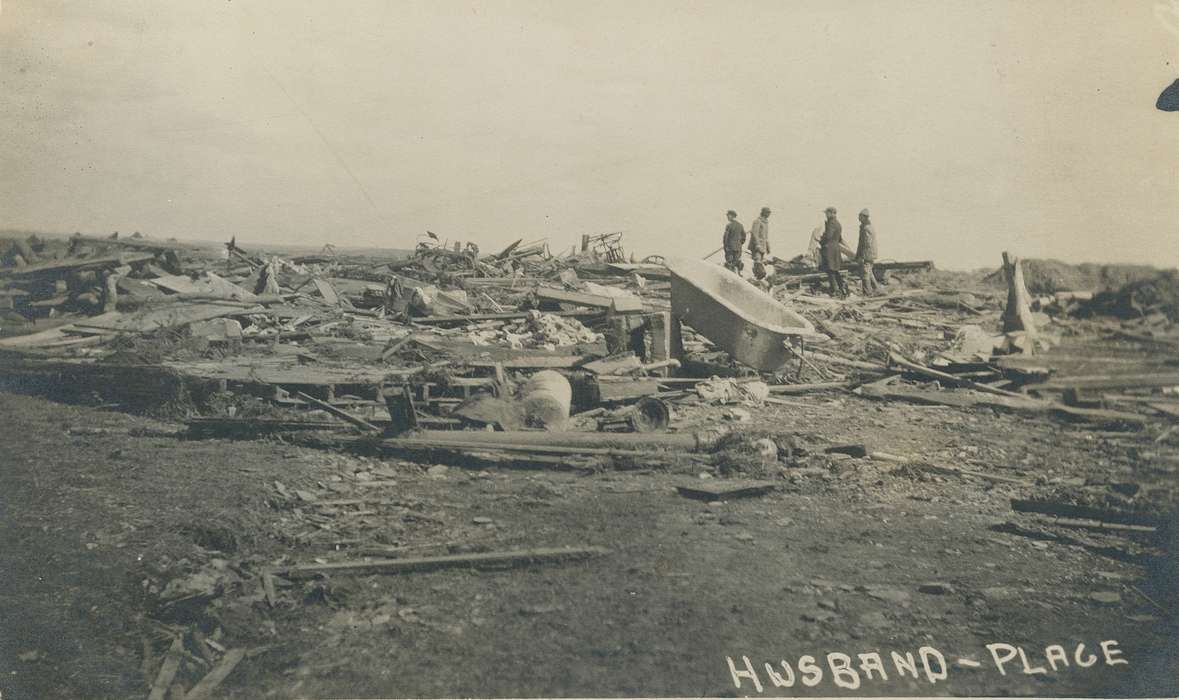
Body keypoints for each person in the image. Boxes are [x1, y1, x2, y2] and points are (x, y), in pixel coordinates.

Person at [820, 206, 849, 297]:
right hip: (835, 249)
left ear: (832, 213)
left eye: (827, 213)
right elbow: (839, 238)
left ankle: (835, 290)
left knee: (830, 271)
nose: (826, 215)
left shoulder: (831, 223)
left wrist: (821, 239)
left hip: (829, 250)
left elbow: (828, 236)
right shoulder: (838, 223)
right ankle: (841, 287)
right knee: (835, 271)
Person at [856, 208, 880, 296]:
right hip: (870, 253)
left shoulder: (866, 228)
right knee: (869, 272)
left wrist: (862, 256)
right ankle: (878, 290)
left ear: (864, 217)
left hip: (867, 254)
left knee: (865, 273)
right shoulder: (867, 226)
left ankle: (867, 293)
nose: (858, 217)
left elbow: (866, 243)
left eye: (860, 216)